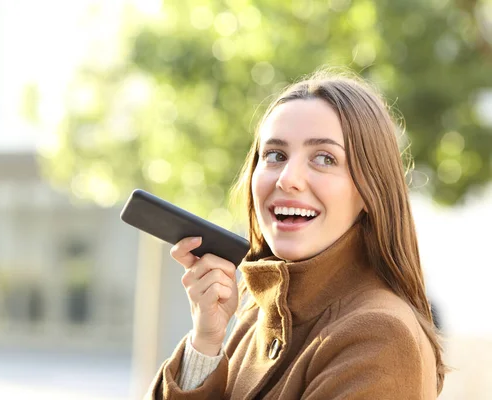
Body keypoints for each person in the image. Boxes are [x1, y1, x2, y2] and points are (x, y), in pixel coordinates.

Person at [146, 70, 446, 399]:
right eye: (275, 155)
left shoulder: (379, 335)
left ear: (369, 190)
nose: (288, 179)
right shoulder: (257, 315)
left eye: (324, 158)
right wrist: (205, 345)